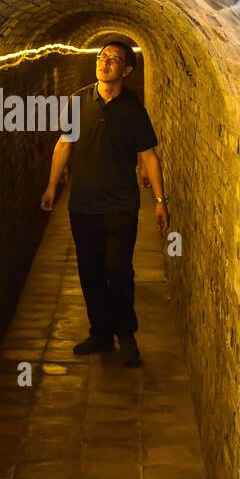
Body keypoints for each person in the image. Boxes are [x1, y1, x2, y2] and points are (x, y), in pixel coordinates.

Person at [40, 40, 168, 367]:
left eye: (113, 59)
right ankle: (100, 333)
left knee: (119, 269)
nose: (104, 62)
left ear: (126, 70)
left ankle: (125, 335)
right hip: (83, 205)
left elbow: (148, 156)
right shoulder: (78, 101)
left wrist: (159, 200)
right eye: (101, 57)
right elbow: (63, 146)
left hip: (121, 205)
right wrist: (52, 186)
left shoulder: (132, 108)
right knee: (90, 271)